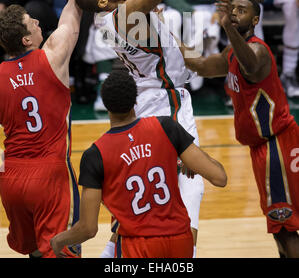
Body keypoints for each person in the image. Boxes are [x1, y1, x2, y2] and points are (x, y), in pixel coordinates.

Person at [74, 0, 205, 257]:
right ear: (103, 2)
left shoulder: (110, 11)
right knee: (187, 194)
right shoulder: (122, 14)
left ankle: (111, 256)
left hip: (148, 99)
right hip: (167, 100)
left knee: (148, 197)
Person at [0, 0, 122, 258]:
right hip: (50, 174)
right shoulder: (52, 56)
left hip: (10, 179)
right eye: (32, 23)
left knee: (34, 252)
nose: (38, 22)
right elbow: (76, 1)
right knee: (61, 253)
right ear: (26, 38)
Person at [50, 69, 227, 258]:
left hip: (138, 246)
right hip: (180, 240)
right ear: (136, 100)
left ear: (105, 105)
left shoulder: (95, 155)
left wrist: (59, 240)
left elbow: (88, 228)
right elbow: (220, 178)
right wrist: (191, 157)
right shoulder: (166, 127)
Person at [182, 0, 299, 258]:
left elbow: (250, 65)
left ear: (255, 20)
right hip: (263, 148)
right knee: (280, 227)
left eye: (241, 10)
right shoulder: (233, 50)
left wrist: (226, 26)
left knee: (285, 226)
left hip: (277, 145)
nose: (234, 13)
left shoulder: (257, 49)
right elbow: (204, 65)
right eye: (231, 9)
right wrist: (166, 37)